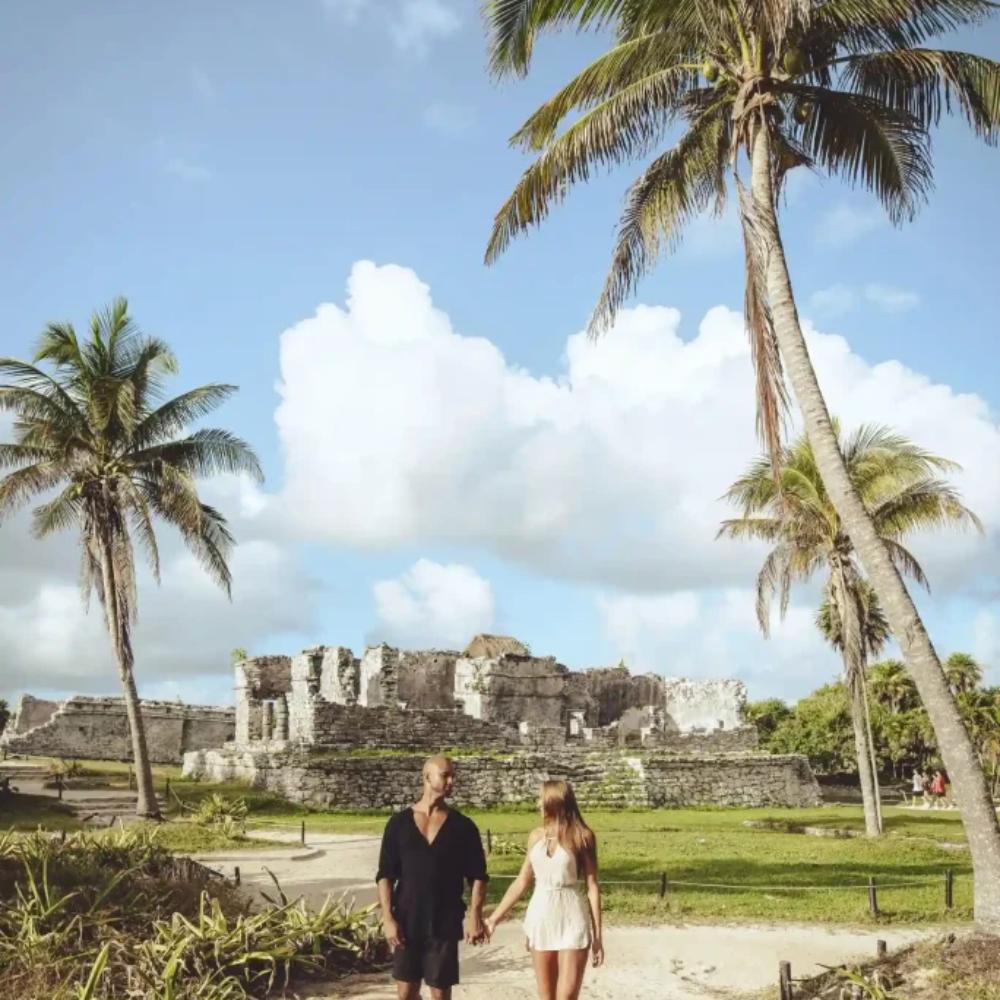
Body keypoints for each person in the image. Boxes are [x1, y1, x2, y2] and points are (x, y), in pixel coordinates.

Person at [376, 756, 489, 1000]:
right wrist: (388, 918)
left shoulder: (463, 827)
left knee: (440, 993)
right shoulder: (397, 825)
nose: (452, 780)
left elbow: (478, 876)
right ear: (427, 777)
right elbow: (385, 875)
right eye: (446, 775)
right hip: (406, 919)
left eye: (453, 775)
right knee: (406, 993)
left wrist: (475, 917)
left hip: (444, 920)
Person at [485, 780, 604, 1000]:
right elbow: (522, 881)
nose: (538, 803)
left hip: (571, 918)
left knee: (566, 996)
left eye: (541, 798)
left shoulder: (583, 836)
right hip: (541, 915)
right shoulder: (536, 836)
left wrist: (598, 937)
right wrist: (493, 919)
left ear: (554, 801)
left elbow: (592, 887)